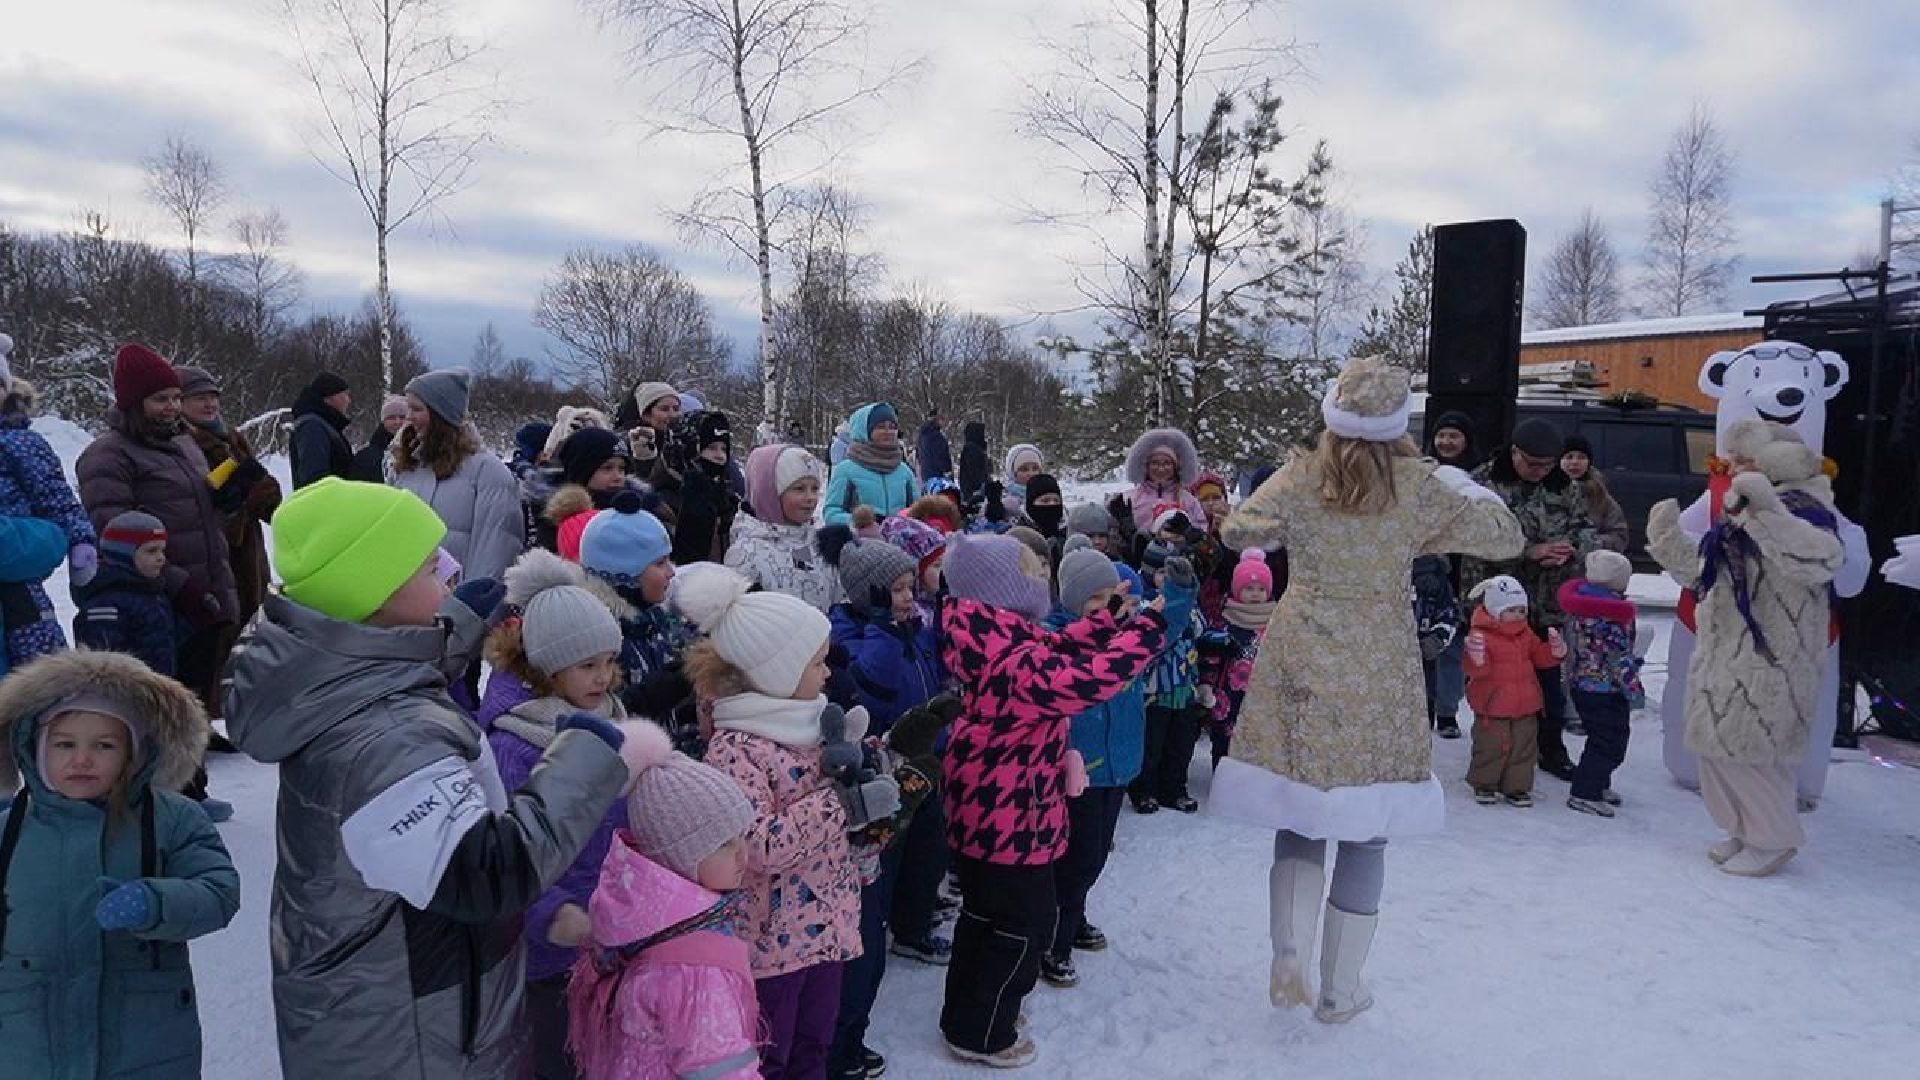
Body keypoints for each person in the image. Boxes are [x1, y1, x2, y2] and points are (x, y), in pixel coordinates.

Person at [225, 476, 657, 1078]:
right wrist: (583, 756)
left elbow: (377, 672)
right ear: (373, 593)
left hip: (393, 1003)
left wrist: (449, 630)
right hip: (412, 1034)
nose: (447, 578)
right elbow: (486, 873)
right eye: (431, 571)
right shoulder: (382, 743)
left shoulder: (336, 682)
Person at [1212, 356, 1522, 1023]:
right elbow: (1505, 536)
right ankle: (1340, 989)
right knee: (1366, 826)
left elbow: (1238, 529)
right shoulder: (1421, 485)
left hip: (1302, 645)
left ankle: (1287, 955)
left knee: (1300, 811)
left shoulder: (1301, 475)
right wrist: (1456, 491)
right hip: (1378, 655)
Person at [937, 533, 1169, 1067]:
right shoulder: (1006, 656)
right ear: (1003, 588)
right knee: (1024, 923)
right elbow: (1080, 682)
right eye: (1030, 571)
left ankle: (970, 1014)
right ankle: (984, 1031)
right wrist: (1146, 634)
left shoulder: (991, 634)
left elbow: (1055, 650)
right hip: (1006, 811)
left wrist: (1109, 622)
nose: (1041, 576)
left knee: (985, 914)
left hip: (1000, 804)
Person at [674, 563, 880, 1080]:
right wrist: (841, 804)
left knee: (815, 1044)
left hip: (825, 924)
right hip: (772, 945)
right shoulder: (737, 747)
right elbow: (757, 845)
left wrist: (871, 795)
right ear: (775, 674)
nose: (828, 673)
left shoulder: (812, 723)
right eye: (815, 663)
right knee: (772, 1054)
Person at [0, 649, 241, 1078]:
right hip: (28, 1035)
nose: (82, 759)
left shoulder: (172, 817)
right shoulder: (9, 829)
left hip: (142, 1035)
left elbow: (218, 891)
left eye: (104, 745)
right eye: (64, 744)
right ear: (33, 748)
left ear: (135, 753)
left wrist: (157, 902)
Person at [483, 548, 671, 1080]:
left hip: (605, 928)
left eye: (610, 663)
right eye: (587, 666)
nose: (605, 678)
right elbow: (511, 849)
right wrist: (549, 915)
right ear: (545, 667)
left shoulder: (607, 717)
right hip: (549, 947)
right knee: (554, 1059)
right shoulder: (517, 744)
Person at [1647, 420, 1845, 877]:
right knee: (1717, 747)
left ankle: (1773, 839)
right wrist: (1668, 540)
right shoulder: (1742, 509)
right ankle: (1742, 829)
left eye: (1746, 460)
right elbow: (1706, 573)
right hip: (1725, 647)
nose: (1734, 468)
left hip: (1773, 655)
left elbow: (1820, 560)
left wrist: (1764, 510)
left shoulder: (1807, 505)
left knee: (1755, 751)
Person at [76, 344, 238, 809]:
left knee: (193, 701)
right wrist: (178, 583)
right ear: (132, 403)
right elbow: (116, 530)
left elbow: (196, 509)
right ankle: (157, 802)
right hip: (155, 601)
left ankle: (189, 790)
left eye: (173, 397)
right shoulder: (107, 456)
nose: (170, 407)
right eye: (158, 399)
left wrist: (226, 498)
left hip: (206, 590)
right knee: (157, 705)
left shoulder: (183, 444)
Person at [565, 752, 761, 1080]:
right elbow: (721, 1068)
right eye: (725, 843)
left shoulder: (645, 923)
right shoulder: (694, 967)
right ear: (681, 856)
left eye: (743, 834)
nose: (744, 852)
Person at [1461, 416, 1592, 781]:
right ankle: (1492, 757)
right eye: (1533, 463)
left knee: (1549, 684)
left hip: (1547, 601)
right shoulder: (1483, 484)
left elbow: (1586, 529)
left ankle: (1550, 750)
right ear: (1514, 453)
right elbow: (1475, 543)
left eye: (1548, 465)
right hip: (1496, 607)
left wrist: (1572, 551)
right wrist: (1529, 552)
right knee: (1499, 683)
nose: (1540, 471)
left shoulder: (1565, 487)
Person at [579, 495, 703, 754]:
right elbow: (598, 716)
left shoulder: (659, 619)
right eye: (659, 563)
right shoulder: (598, 640)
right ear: (625, 576)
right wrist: (651, 695)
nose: (672, 571)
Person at [0, 338, 96, 675]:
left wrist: (80, 539)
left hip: (20, 584)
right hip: (19, 553)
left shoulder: (21, 443)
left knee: (35, 663)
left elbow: (56, 497)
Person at [389, 367, 524, 589]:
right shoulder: (407, 467)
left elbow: (494, 552)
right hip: (409, 607)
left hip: (458, 608)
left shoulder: (488, 472)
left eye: (416, 409)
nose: (408, 417)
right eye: (408, 409)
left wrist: (469, 611)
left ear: (441, 414)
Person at [178, 366, 281, 644]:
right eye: (200, 397)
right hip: (216, 559)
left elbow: (267, 497)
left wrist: (260, 491)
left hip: (251, 552)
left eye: (213, 396)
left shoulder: (232, 438)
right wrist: (241, 500)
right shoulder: (182, 446)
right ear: (180, 402)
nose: (210, 404)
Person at [1461, 576, 1565, 807]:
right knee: (1490, 747)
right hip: (1493, 706)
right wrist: (1476, 657)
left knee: (1523, 748)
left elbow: (1539, 657)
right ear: (1495, 610)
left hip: (1525, 704)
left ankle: (1516, 788)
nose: (1519, 615)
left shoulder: (1525, 634)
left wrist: (1554, 652)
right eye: (1512, 610)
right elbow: (1477, 671)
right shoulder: (1481, 636)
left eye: (1522, 610)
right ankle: (1485, 784)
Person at [1558, 550, 1646, 817]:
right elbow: (1619, 660)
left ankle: (1597, 783)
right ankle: (1584, 792)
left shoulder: (1581, 607)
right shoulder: (1609, 620)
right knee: (1608, 741)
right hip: (1603, 690)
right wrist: (1634, 690)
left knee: (1604, 738)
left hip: (1583, 686)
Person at [727, 443, 840, 612]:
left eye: (815, 488)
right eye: (799, 489)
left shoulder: (820, 544)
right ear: (770, 494)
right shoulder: (747, 553)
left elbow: (838, 597)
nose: (811, 497)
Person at [1421, 410, 1479, 739]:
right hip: (1429, 569)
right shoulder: (1423, 474)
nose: (1446, 441)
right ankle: (1425, 705)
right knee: (1427, 641)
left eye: (1453, 436)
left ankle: (1447, 711)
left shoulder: (1479, 478)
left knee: (1454, 645)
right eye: (1442, 435)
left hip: (1466, 570)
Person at [71, 511, 179, 673]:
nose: (161, 558)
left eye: (162, 550)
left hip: (157, 688)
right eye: (151, 551)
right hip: (127, 690)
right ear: (123, 555)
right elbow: (101, 662)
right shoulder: (106, 604)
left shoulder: (151, 592)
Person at [1197, 549, 1276, 769]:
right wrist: (1207, 685)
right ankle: (1221, 778)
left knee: (1257, 740)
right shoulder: (1225, 621)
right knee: (1224, 740)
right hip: (1227, 696)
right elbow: (1211, 657)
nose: (1255, 594)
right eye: (1249, 588)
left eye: (1261, 589)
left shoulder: (1275, 623)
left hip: (1261, 694)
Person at [824, 402, 919, 527]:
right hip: (859, 543)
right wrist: (862, 522)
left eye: (892, 427)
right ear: (864, 431)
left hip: (899, 543)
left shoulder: (904, 471)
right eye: (880, 427)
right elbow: (832, 513)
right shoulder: (846, 470)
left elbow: (917, 512)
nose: (888, 431)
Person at [670, 410, 741, 564]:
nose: (720, 456)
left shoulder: (728, 496)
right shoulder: (674, 494)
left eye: (724, 449)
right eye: (711, 448)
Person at [1121, 428, 1210, 537]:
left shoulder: (1189, 501)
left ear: (1176, 467)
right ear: (1146, 466)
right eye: (1155, 463)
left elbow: (1202, 531)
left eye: (1167, 463)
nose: (1161, 469)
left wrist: (1188, 536)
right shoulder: (1130, 499)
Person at [1413, 554, 1464, 738]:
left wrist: (1438, 638)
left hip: (1458, 581)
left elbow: (1449, 613)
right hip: (1403, 644)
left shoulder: (1438, 577)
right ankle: (1421, 716)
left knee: (1450, 662)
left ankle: (1447, 713)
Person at [1560, 434, 1630, 554]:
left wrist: (1591, 543)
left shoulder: (1600, 497)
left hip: (1588, 566)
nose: (1575, 462)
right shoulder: (1544, 492)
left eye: (1581, 457)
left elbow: (1619, 536)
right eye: (1569, 457)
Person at [288, 371, 354, 489]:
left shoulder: (324, 425)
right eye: (345, 395)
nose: (348, 401)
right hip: (324, 504)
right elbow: (314, 479)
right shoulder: (312, 427)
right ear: (329, 397)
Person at [351, 395, 410, 483]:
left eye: (402, 417)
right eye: (391, 418)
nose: (397, 422)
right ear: (383, 421)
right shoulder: (365, 457)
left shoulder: (421, 453)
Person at [917, 408, 953, 488]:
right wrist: (948, 472)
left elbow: (919, 456)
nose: (943, 422)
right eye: (942, 419)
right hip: (938, 477)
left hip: (926, 475)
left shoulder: (922, 435)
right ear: (936, 419)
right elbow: (942, 457)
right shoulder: (936, 437)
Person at [957, 419, 989, 506]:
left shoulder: (974, 448)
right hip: (973, 489)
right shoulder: (972, 449)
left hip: (970, 488)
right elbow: (975, 471)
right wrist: (981, 485)